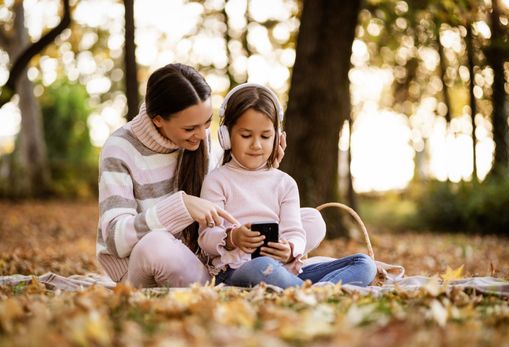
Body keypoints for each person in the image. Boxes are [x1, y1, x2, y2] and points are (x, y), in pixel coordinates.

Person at [96, 63, 326, 288]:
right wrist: (180, 206)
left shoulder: (199, 140)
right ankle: (278, 279)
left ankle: (253, 276)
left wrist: (263, 171)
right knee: (155, 244)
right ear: (158, 120)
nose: (201, 134)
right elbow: (116, 239)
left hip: (202, 262)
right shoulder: (120, 149)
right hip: (148, 261)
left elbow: (227, 192)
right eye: (190, 128)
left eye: (207, 123)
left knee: (310, 220)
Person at [198, 83, 377, 288]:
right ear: (226, 136)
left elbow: (295, 232)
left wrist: (290, 249)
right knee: (262, 266)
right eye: (246, 135)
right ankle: (315, 290)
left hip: (280, 270)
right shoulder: (217, 180)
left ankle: (306, 290)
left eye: (265, 136)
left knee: (364, 263)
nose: (256, 145)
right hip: (236, 271)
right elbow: (205, 239)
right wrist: (233, 238)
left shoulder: (285, 183)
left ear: (278, 137)